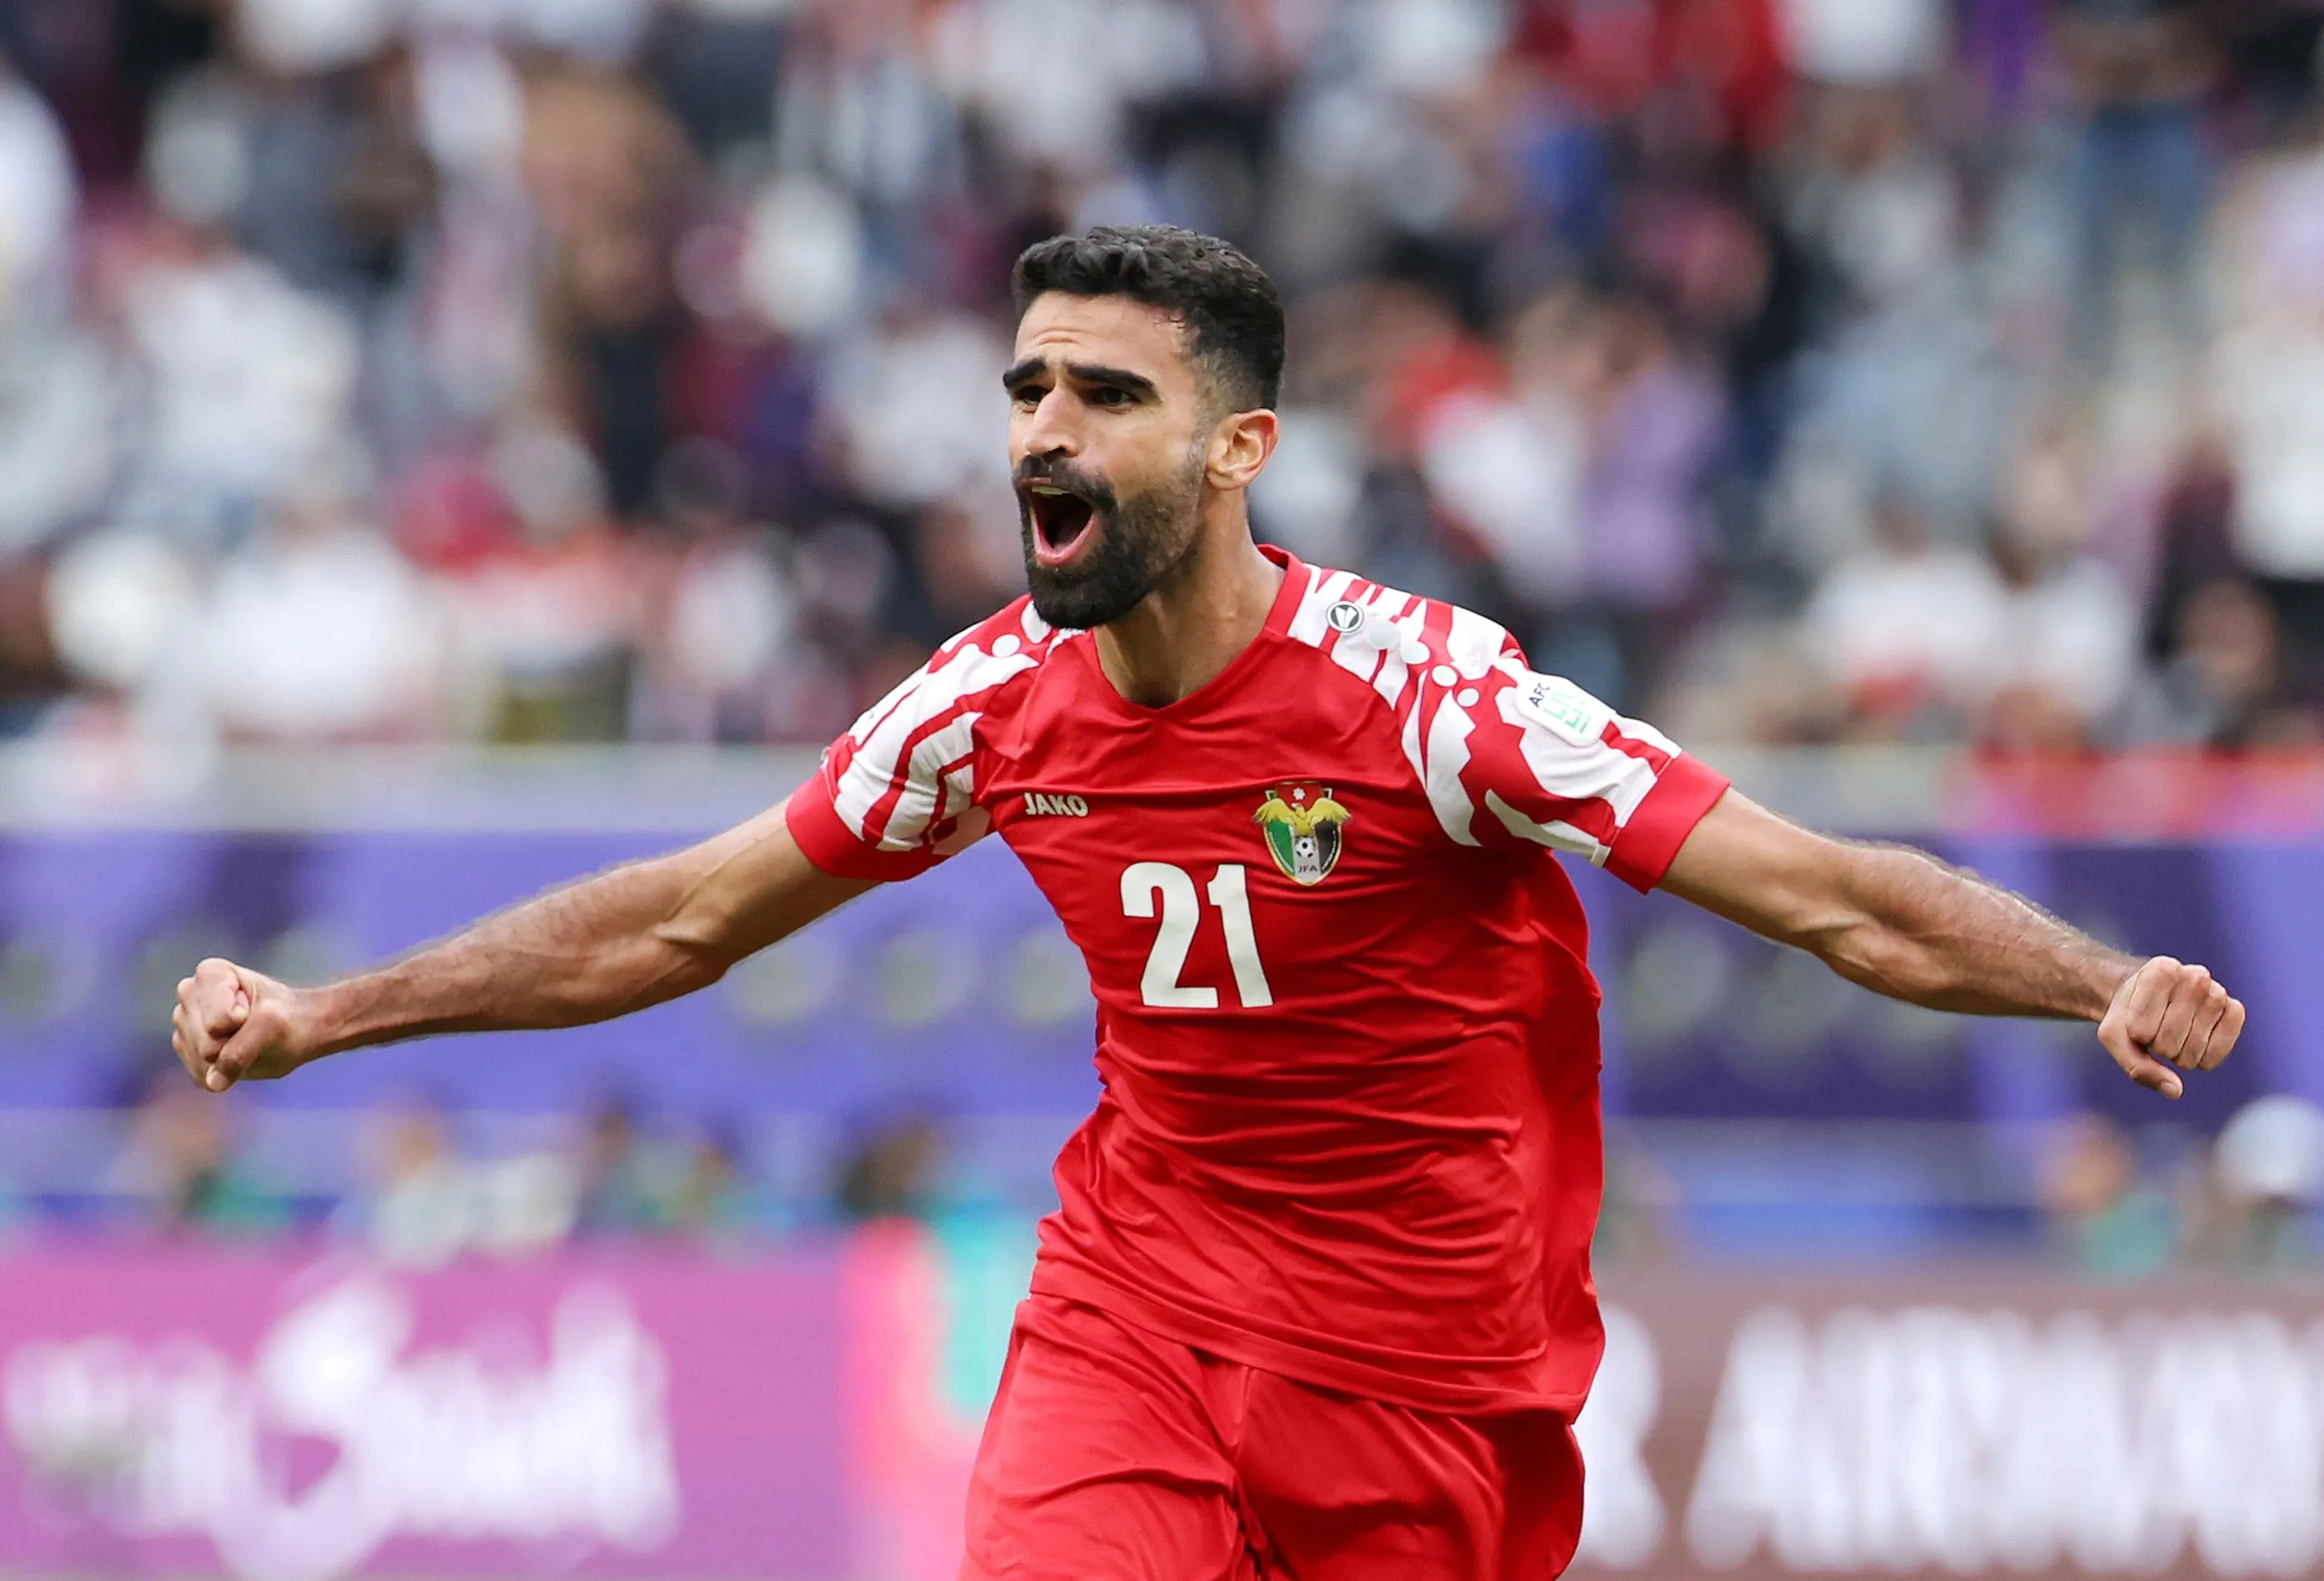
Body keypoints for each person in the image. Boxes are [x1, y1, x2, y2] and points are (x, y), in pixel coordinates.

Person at [170, 226, 2246, 1578]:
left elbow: (1827, 900)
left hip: (1424, 1382)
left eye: (1107, 397)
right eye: (1026, 390)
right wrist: (331, 1013)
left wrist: (2096, 982)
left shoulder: (1436, 702)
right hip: (1135, 1323)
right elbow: (681, 919)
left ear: (1240, 445)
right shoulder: (988, 704)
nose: (1044, 433)